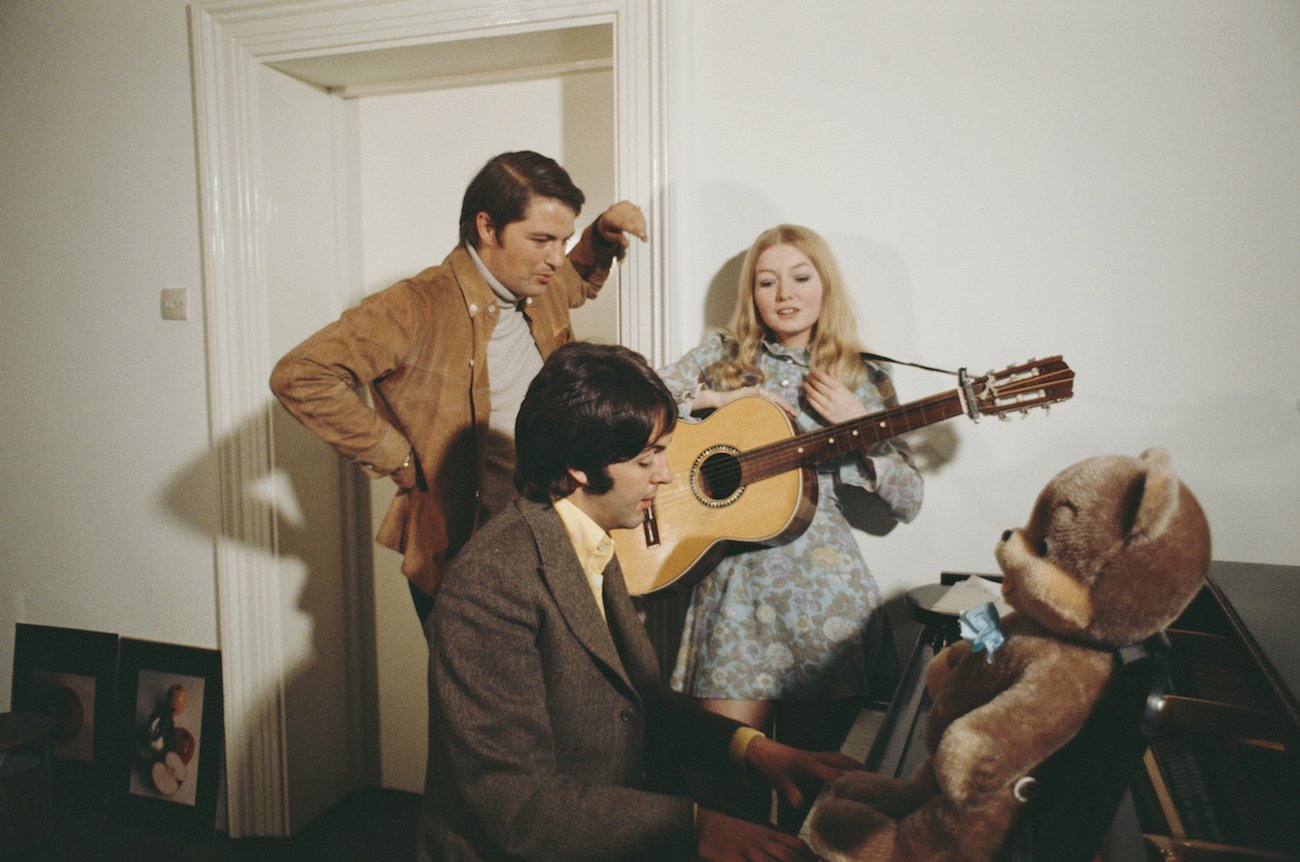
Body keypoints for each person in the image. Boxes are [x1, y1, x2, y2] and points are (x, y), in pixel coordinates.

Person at [420, 341, 858, 862]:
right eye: (648, 457)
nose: (667, 474)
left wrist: (759, 752)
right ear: (580, 467)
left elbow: (637, 706)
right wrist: (697, 827)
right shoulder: (490, 585)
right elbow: (521, 808)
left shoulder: (587, 539)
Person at [269, 151, 647, 621]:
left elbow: (574, 279)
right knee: (485, 696)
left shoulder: (540, 282)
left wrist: (600, 237)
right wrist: (402, 459)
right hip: (467, 561)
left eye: (563, 239)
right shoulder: (415, 306)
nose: (555, 257)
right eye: (541, 239)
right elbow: (300, 375)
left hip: (554, 543)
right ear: (487, 228)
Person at [655, 224, 924, 819]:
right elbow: (638, 400)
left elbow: (908, 499)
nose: (785, 295)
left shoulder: (863, 374)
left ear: (824, 285)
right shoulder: (723, 358)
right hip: (733, 596)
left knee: (816, 797)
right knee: (722, 783)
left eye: (801, 278)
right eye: (766, 281)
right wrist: (717, 404)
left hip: (822, 602)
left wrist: (861, 424)